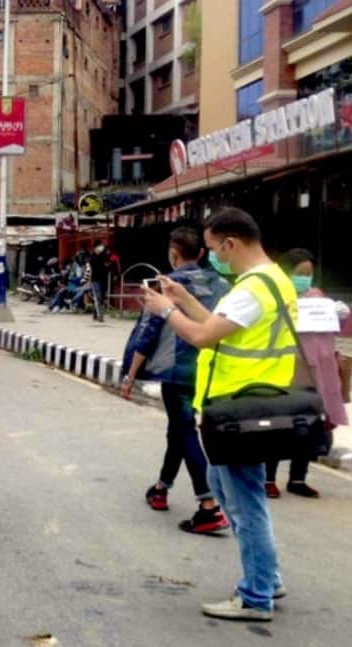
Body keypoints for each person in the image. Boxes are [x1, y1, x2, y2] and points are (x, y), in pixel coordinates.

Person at [144, 207, 295, 622]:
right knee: (224, 487)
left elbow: (202, 336)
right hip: (248, 403)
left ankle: (257, 595)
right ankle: (267, 577)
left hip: (239, 409)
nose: (212, 257)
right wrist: (183, 298)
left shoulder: (253, 289)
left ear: (230, 243)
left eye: (213, 249)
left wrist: (165, 310)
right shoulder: (272, 280)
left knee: (246, 504)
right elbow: (217, 324)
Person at [122, 227, 230, 534]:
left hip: (177, 370)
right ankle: (161, 488)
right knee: (179, 429)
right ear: (201, 253)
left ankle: (208, 504)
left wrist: (130, 375)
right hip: (210, 368)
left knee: (184, 431)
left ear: (173, 253)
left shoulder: (166, 286)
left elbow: (148, 333)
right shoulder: (223, 285)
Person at [265, 248, 351, 499]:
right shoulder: (275, 297)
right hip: (286, 371)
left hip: (316, 373)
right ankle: (268, 478)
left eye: (308, 274)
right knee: (279, 426)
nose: (305, 279)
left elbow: (333, 330)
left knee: (309, 426)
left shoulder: (318, 298)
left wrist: (338, 314)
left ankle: (298, 478)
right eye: (300, 273)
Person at [89, 243, 115, 322]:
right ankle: (100, 316)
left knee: (102, 298)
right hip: (95, 280)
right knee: (98, 297)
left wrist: (108, 265)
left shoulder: (104, 256)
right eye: (99, 247)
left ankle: (96, 314)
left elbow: (109, 265)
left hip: (103, 280)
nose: (101, 248)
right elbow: (92, 263)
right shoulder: (92, 257)